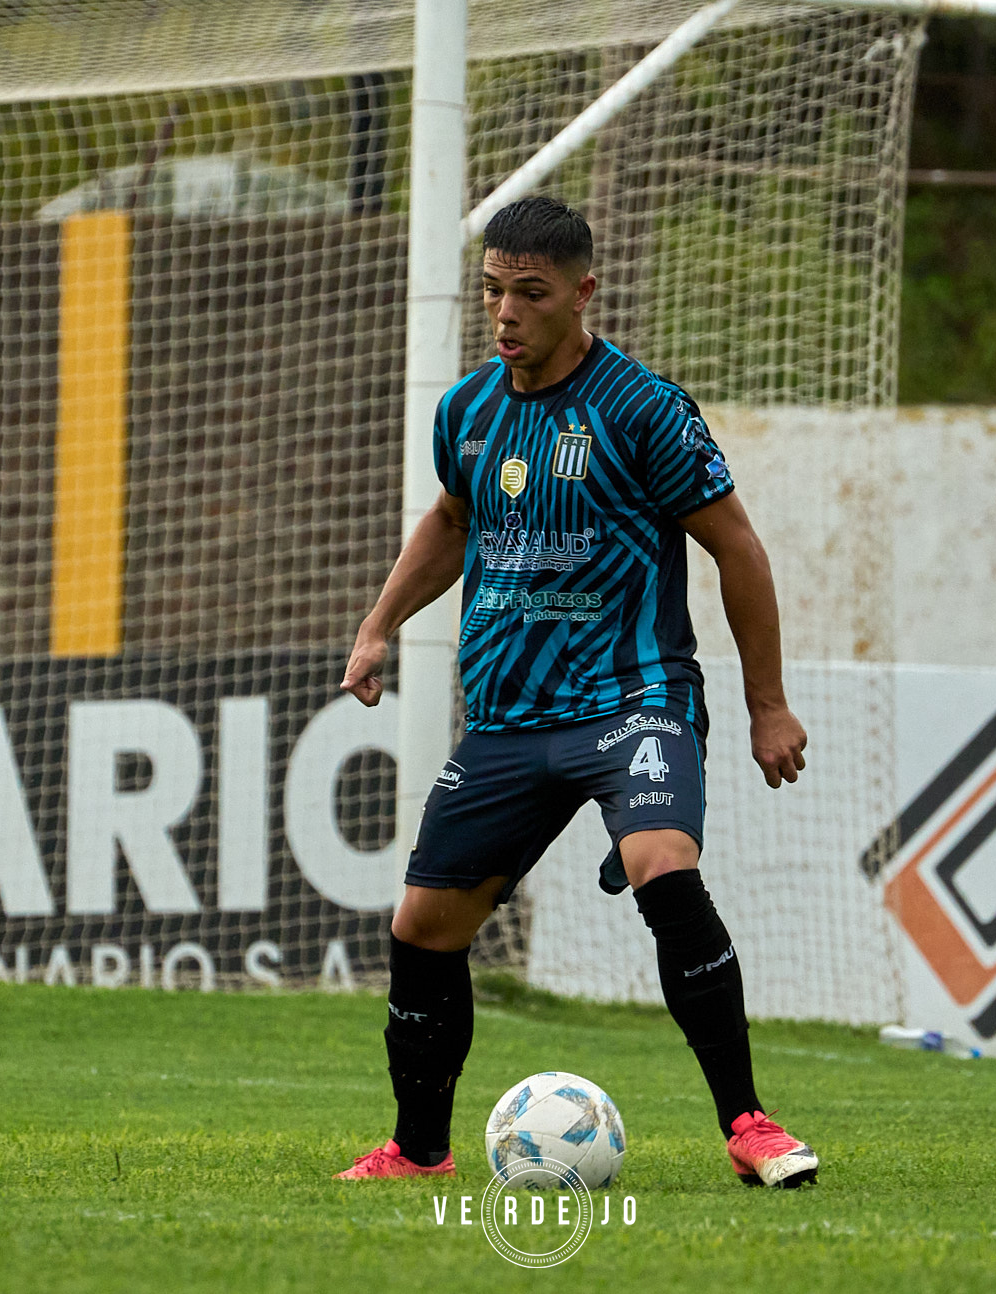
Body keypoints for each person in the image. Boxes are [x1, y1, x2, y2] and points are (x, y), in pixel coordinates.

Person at [331, 196, 817, 1189]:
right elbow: (451, 521)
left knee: (660, 862)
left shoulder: (643, 410)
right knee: (423, 928)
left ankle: (749, 1124)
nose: (506, 313)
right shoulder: (467, 411)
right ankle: (418, 1150)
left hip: (631, 697)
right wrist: (379, 625)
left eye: (531, 293)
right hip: (509, 719)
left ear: (582, 292)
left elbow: (736, 547)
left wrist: (767, 703)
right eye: (492, 291)